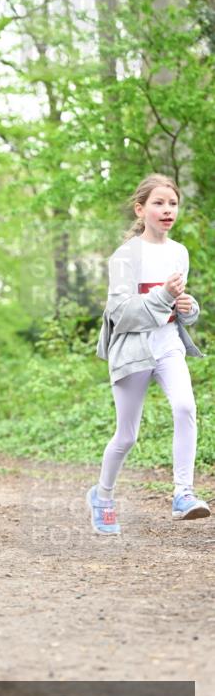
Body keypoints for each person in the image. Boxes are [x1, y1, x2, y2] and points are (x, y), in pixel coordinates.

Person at [89, 174, 209, 535]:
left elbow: (174, 308)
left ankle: (183, 493)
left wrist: (189, 309)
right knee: (127, 436)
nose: (167, 210)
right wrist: (162, 295)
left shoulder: (179, 253)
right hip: (131, 349)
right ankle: (103, 497)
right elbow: (120, 314)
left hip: (168, 343)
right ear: (141, 210)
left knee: (186, 407)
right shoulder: (125, 257)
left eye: (172, 203)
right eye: (158, 203)